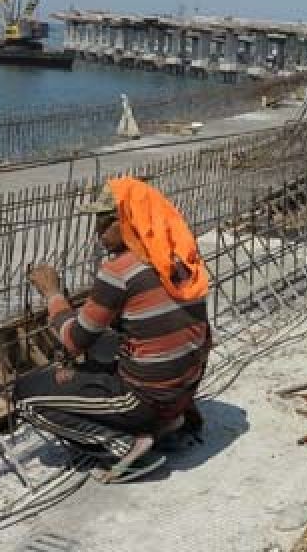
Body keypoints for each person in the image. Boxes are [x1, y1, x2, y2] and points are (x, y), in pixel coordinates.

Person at [16, 178, 212, 483]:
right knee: (105, 343)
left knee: (25, 396)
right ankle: (174, 418)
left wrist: (52, 294)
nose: (97, 231)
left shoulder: (120, 272)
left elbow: (73, 340)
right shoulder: (177, 258)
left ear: (125, 223)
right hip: (185, 387)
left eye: (103, 222)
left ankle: (126, 447)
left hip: (148, 399)